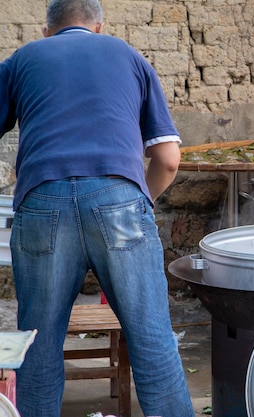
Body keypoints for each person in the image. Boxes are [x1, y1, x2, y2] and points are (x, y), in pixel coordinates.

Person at [0, 0, 195, 416]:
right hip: (119, 199)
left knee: (38, 344)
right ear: (99, 27)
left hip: (42, 202)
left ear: (47, 30)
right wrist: (138, 202)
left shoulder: (23, 59)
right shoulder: (129, 57)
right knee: (151, 338)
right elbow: (168, 160)